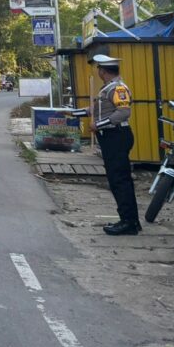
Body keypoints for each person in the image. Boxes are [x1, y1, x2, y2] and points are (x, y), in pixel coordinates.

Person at [76, 54, 140, 236]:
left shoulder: (118, 88)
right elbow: (96, 110)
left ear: (103, 71)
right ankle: (130, 220)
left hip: (116, 136)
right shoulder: (108, 88)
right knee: (118, 179)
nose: (98, 72)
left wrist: (98, 125)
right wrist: (73, 113)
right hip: (112, 137)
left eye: (98, 69)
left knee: (119, 180)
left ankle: (128, 222)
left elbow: (123, 113)